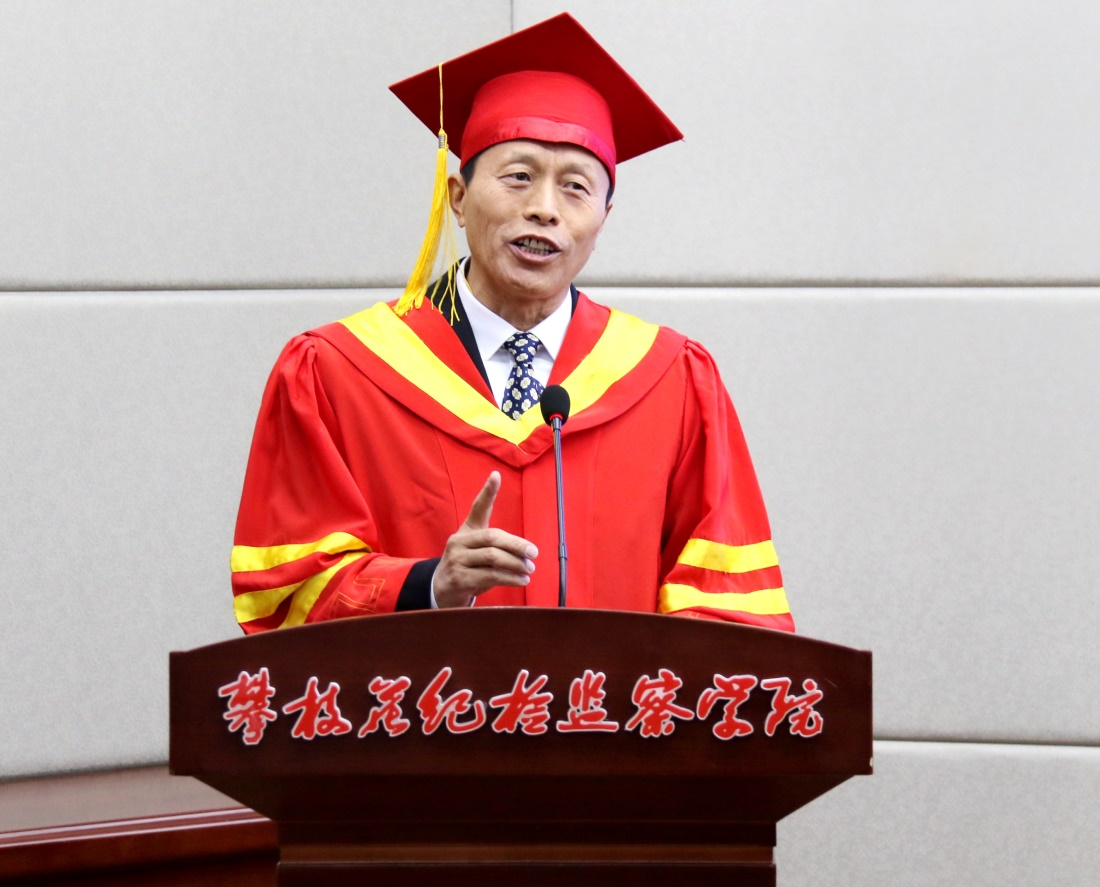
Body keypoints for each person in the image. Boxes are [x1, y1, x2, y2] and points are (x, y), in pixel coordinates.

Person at [231, 13, 794, 634]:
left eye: (575, 187)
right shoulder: (337, 371)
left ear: (604, 218)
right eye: (518, 177)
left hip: (603, 701)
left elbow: (727, 606)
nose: (544, 209)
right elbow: (287, 592)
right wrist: (429, 585)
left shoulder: (673, 381)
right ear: (458, 197)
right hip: (428, 699)